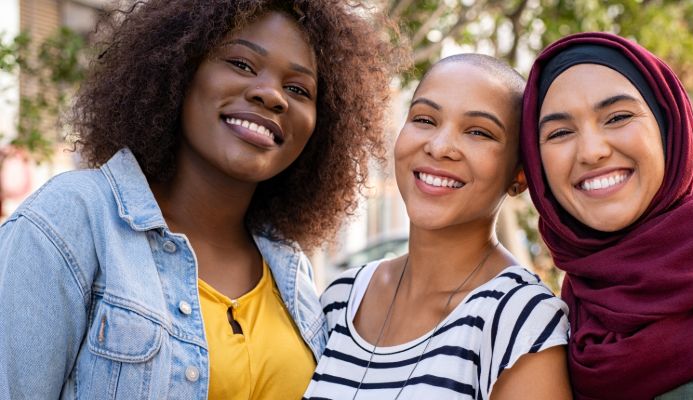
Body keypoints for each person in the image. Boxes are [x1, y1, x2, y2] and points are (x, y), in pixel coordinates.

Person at [0, 0, 405, 398]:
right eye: (241, 64)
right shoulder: (73, 220)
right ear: (179, 69)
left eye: (298, 89)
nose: (272, 95)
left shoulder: (288, 267)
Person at [520, 31, 693, 399]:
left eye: (617, 117)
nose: (591, 151)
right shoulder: (548, 328)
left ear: (669, 129)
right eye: (559, 132)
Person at [303, 54, 572, 400]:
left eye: (478, 132)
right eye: (425, 119)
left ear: (520, 175)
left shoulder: (522, 319)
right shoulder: (342, 298)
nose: (440, 146)